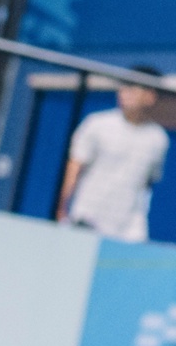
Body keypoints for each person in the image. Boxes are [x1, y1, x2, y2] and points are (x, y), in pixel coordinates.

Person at [57, 66, 169, 242]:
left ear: (151, 96)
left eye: (132, 88)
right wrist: (62, 207)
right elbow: (75, 166)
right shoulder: (96, 123)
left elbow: (149, 183)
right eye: (123, 86)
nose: (124, 92)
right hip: (87, 218)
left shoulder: (159, 139)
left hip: (129, 230)